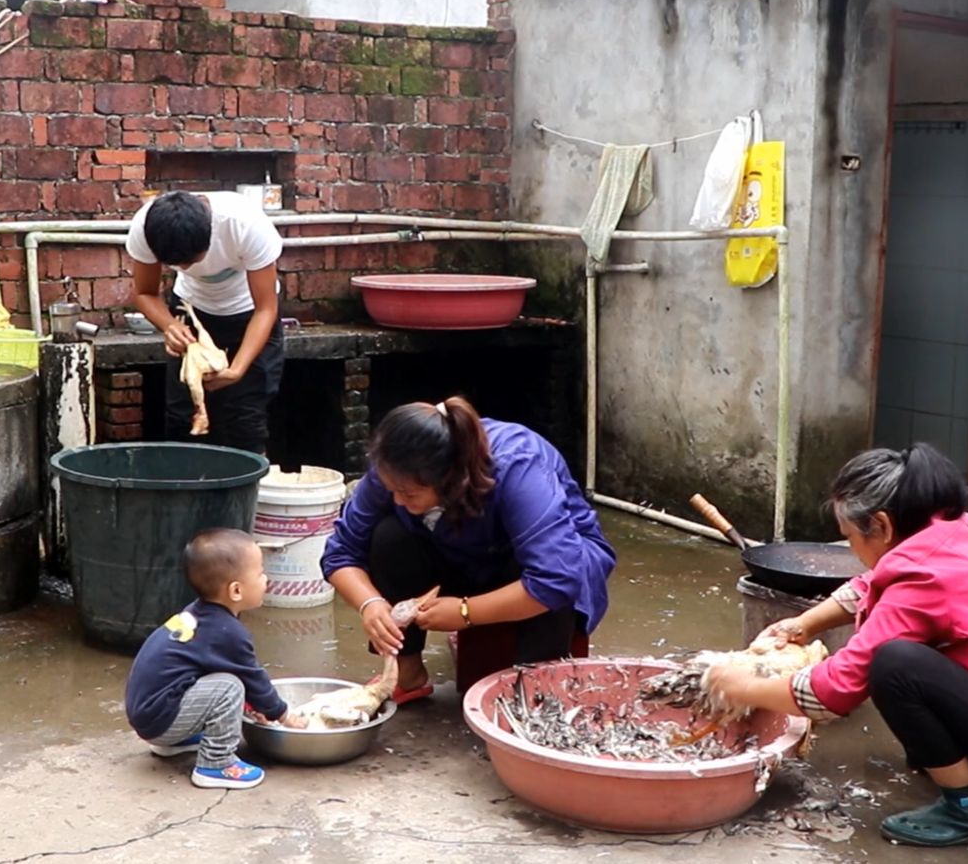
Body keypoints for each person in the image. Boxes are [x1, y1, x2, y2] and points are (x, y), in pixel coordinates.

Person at [703, 444, 968, 847]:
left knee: (894, 665)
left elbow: (833, 692)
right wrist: (805, 623)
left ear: (880, 525)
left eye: (849, 537)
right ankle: (965, 768)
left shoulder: (923, 579)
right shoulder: (956, 530)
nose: (854, 551)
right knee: (908, 659)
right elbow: (874, 582)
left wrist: (735, 684)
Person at [321, 397, 616, 700]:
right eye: (391, 489)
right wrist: (370, 604)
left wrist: (465, 612)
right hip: (462, 551)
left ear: (449, 479)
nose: (396, 499)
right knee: (388, 537)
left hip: (541, 567)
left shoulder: (518, 465)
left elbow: (556, 578)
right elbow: (340, 551)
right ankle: (406, 674)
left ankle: (537, 689)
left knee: (546, 567)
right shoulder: (394, 467)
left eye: (408, 493)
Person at [124, 528, 305, 789]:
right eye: (260, 573)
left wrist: (254, 707)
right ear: (235, 591)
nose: (266, 579)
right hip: (160, 718)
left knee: (222, 680)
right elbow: (253, 678)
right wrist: (283, 714)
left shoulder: (201, 617)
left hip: (151, 713)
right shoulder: (227, 632)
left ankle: (174, 742)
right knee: (230, 686)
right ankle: (216, 763)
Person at [127, 190, 284, 454]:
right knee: (183, 418)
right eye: (176, 265)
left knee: (244, 420)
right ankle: (185, 489)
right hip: (192, 310)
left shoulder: (245, 224)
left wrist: (236, 370)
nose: (186, 269)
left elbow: (266, 309)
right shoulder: (146, 228)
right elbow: (144, 293)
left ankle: (246, 493)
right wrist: (170, 326)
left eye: (191, 261)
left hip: (249, 314)